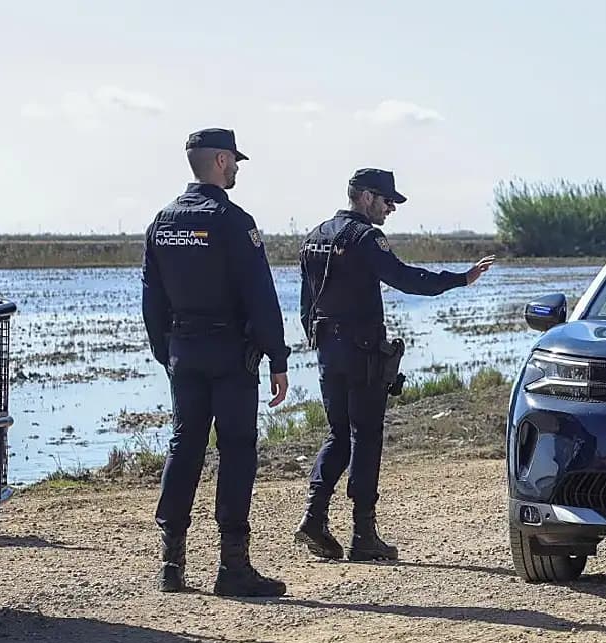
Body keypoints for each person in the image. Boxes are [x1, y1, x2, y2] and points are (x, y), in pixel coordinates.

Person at [294, 168, 494, 561]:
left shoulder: (314, 235)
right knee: (365, 436)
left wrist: (317, 342)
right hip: (361, 351)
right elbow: (405, 278)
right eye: (388, 201)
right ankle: (363, 535)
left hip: (328, 350)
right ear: (366, 197)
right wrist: (460, 279)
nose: (391, 209)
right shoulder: (366, 238)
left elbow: (307, 302)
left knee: (338, 434)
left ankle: (314, 518)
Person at [141, 128, 291, 596]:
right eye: (235, 161)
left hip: (184, 351)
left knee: (184, 445)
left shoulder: (163, 222)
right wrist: (278, 356)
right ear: (221, 161)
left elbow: (151, 298)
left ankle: (171, 564)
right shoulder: (233, 221)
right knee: (237, 450)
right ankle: (233, 567)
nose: (238, 169)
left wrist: (166, 352)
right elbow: (261, 295)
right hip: (229, 354)